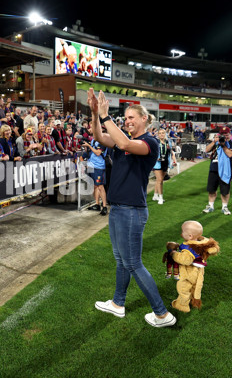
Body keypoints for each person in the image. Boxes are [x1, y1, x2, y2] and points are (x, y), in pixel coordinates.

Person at [88, 88, 176, 328]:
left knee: (133, 263)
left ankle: (161, 314)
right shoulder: (120, 140)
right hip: (118, 208)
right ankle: (118, 303)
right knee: (121, 260)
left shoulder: (150, 142)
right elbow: (99, 137)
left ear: (144, 119)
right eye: (125, 118)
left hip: (132, 210)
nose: (126, 121)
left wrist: (106, 116)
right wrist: (96, 114)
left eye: (131, 118)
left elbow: (125, 142)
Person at [202, 127, 232, 215]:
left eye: (226, 134)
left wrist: (223, 145)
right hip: (214, 168)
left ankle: (224, 207)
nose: (225, 135)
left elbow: (230, 154)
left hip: (225, 170)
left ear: (230, 134)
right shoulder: (216, 143)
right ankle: (210, 206)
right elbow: (206, 150)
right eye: (223, 134)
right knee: (211, 189)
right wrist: (214, 141)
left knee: (225, 190)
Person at [82, 135, 107, 215]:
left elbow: (98, 153)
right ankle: (97, 204)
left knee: (100, 186)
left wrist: (89, 145)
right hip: (91, 165)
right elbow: (90, 152)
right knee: (95, 186)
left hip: (99, 167)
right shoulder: (93, 140)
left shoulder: (102, 141)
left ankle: (104, 206)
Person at [152, 128, 177, 204]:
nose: (161, 134)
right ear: (158, 134)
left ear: (165, 134)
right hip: (157, 163)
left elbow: (171, 152)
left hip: (165, 162)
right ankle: (160, 198)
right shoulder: (155, 142)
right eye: (160, 133)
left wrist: (174, 160)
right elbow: (151, 152)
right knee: (160, 180)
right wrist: (156, 158)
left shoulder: (168, 142)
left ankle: (155, 195)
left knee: (160, 180)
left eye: (163, 133)